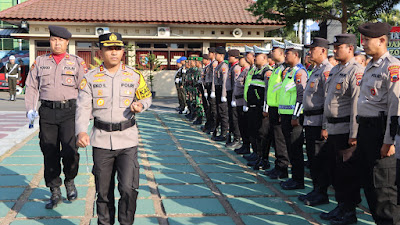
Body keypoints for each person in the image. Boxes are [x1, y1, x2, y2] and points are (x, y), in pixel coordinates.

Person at [75, 32, 152, 225]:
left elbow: (146, 97)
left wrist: (141, 105)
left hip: (128, 141)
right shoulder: (90, 77)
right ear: (101, 51)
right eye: (109, 48)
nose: (114, 52)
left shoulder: (134, 76)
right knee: (103, 191)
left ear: (123, 51)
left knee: (128, 188)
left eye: (117, 48)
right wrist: (81, 131)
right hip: (101, 141)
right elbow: (83, 107)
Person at [25, 25, 87, 209]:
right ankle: (55, 190)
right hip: (47, 112)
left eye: (61, 40)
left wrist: (86, 115)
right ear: (50, 41)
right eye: (53, 39)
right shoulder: (40, 62)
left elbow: (84, 90)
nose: (57, 43)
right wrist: (30, 109)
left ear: (67, 42)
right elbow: (31, 87)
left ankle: (70, 179)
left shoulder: (76, 63)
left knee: (70, 151)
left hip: (70, 112)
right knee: (49, 152)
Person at [319, 34, 364, 224]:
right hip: (334, 129)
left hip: (346, 130)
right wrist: (325, 126)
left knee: (348, 173)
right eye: (334, 47)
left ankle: (349, 212)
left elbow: (356, 104)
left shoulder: (356, 71)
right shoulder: (336, 69)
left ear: (350, 48)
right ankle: (341, 205)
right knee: (336, 172)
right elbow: (329, 101)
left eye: (339, 47)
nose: (335, 50)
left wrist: (354, 134)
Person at [358, 22, 400, 225]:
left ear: (382, 40)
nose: (363, 43)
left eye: (367, 39)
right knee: (370, 186)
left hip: (381, 132)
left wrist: (389, 141)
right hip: (365, 131)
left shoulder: (392, 66)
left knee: (384, 189)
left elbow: (396, 106)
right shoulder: (370, 65)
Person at [299, 37, 333, 206]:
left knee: (320, 160)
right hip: (310, 120)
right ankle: (315, 189)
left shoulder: (327, 70)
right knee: (312, 158)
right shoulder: (316, 69)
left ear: (323, 51)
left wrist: (325, 126)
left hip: (319, 122)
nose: (309, 52)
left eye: (313, 49)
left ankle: (322, 193)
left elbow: (328, 100)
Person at [278, 40, 307, 190]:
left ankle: (298, 180)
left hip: (294, 117)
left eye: (287, 53)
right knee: (289, 148)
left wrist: (295, 116)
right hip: (285, 114)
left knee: (296, 150)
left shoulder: (300, 72)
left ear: (296, 54)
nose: (285, 55)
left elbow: (301, 96)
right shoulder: (289, 71)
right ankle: (293, 178)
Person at [264, 39, 289, 179]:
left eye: (274, 51)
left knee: (280, 140)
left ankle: (282, 168)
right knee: (275, 139)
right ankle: (278, 165)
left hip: (280, 109)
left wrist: (280, 110)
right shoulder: (277, 68)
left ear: (281, 52)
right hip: (273, 107)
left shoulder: (285, 69)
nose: (271, 53)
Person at [244, 46, 272, 170]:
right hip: (252, 107)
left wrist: (265, 108)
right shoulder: (256, 71)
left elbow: (267, 93)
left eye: (258, 56)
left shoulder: (267, 72)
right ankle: (257, 155)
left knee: (262, 134)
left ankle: (263, 159)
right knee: (254, 132)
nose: (254, 58)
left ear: (264, 57)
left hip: (261, 108)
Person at [232, 56, 250, 155]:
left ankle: (246, 146)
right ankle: (244, 145)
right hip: (239, 101)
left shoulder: (248, 71)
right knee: (241, 124)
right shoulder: (244, 71)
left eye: (241, 59)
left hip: (243, 101)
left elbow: (245, 88)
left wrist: (245, 103)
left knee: (244, 125)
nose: (239, 61)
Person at [211, 47, 229, 141]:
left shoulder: (223, 66)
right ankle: (220, 132)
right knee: (218, 112)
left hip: (222, 91)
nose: (215, 55)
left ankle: (224, 133)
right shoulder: (218, 65)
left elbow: (225, 81)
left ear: (221, 55)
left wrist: (223, 95)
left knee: (223, 113)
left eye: (216, 54)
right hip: (218, 90)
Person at [226, 49, 242, 148]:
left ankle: (237, 138)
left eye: (229, 56)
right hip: (230, 95)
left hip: (234, 96)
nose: (228, 58)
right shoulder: (232, 67)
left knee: (235, 119)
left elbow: (236, 85)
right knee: (231, 118)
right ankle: (233, 137)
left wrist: (233, 99)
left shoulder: (236, 68)